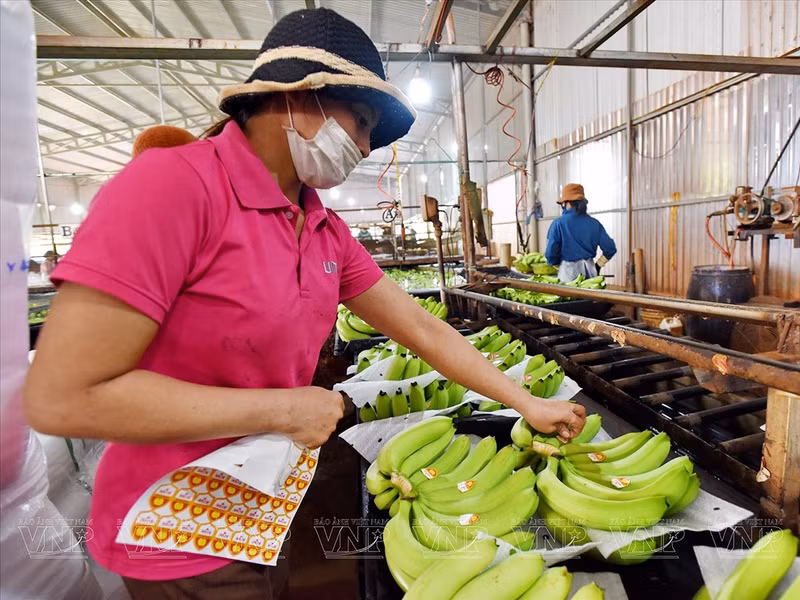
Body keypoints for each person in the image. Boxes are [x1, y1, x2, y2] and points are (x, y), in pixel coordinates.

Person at [24, 8, 585, 599]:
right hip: (178, 530)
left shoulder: (320, 226)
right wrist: (283, 410)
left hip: (266, 501)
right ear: (298, 96)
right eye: (362, 121)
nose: (367, 147)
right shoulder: (173, 186)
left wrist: (526, 402)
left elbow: (421, 326)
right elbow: (64, 397)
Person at [545, 183, 617, 283]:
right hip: (590, 273)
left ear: (566, 203)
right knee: (589, 298)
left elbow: (550, 253)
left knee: (569, 297)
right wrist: (598, 265)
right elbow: (610, 248)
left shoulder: (558, 224)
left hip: (568, 273)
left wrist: (556, 264)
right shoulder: (594, 223)